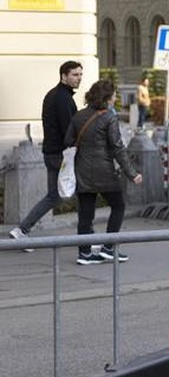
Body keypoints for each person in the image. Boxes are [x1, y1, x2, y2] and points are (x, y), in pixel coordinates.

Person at [66, 79, 143, 265]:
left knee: (85, 214)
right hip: (104, 172)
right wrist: (132, 173)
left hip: (82, 171)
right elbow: (118, 148)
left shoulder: (79, 116)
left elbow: (68, 140)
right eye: (114, 94)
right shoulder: (109, 117)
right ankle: (109, 247)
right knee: (118, 206)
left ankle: (84, 253)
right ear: (107, 97)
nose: (116, 97)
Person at [8, 61, 84, 248]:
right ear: (63, 76)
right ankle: (88, 240)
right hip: (63, 155)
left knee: (53, 196)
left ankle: (22, 230)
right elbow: (69, 131)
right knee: (84, 192)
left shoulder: (53, 95)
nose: (79, 78)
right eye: (75, 75)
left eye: (80, 74)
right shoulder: (63, 99)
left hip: (52, 152)